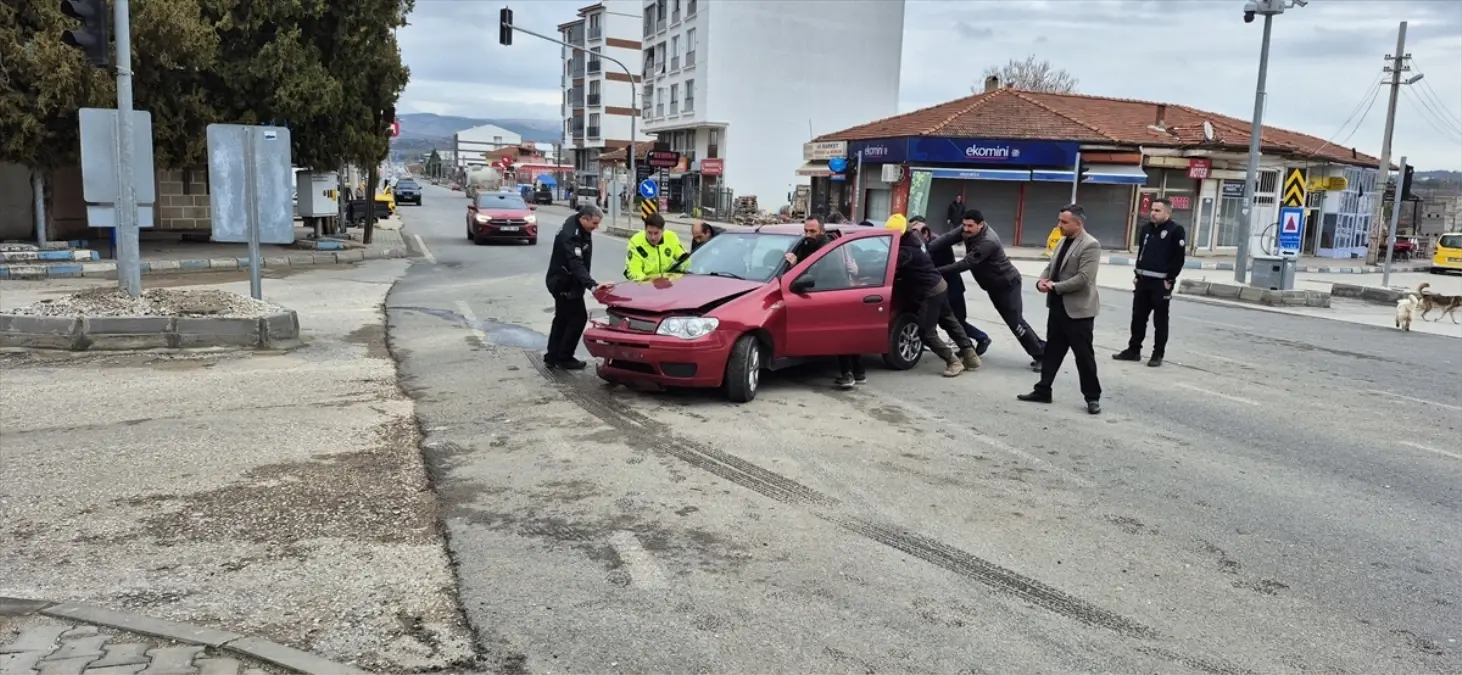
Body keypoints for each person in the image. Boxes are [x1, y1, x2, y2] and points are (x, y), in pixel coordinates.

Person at [928, 209, 1045, 371]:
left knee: (1016, 323)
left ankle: (1041, 355)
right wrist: (927, 248)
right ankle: (1041, 349)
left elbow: (964, 264)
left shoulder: (987, 242)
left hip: (1006, 285)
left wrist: (935, 271)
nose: (966, 229)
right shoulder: (967, 230)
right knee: (1015, 321)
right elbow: (947, 239)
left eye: (970, 226)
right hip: (993, 285)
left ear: (981, 225)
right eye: (964, 225)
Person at [1019, 205, 1103, 415]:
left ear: (1078, 223)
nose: (1060, 225)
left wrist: (1054, 287)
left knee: (1083, 356)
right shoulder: (1063, 240)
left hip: (1078, 311)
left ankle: (1092, 397)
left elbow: (1084, 279)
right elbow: (1052, 266)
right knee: (1052, 352)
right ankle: (1043, 390)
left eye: (1064, 222)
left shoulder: (1090, 245)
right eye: (1059, 220)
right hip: (1057, 307)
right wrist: (1041, 281)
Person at [887, 215, 982, 378]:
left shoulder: (904, 250)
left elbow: (889, 267)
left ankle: (953, 361)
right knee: (949, 321)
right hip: (939, 285)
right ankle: (971, 356)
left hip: (929, 291)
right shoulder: (913, 240)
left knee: (926, 332)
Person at [1114, 198, 1186, 367]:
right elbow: (1142, 253)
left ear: (1167, 213)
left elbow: (1178, 258)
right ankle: (1134, 350)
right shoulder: (1146, 229)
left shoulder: (1175, 230)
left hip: (1161, 283)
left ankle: (1157, 353)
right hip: (1143, 281)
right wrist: (1137, 274)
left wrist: (1170, 279)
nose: (1152, 213)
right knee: (1138, 317)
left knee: (1160, 320)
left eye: (1157, 210)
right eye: (1152, 209)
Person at [910, 215, 992, 355]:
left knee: (955, 321)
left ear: (925, 229)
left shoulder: (937, 243)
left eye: (915, 229)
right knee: (947, 320)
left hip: (951, 287)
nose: (913, 233)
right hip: (942, 286)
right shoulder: (924, 242)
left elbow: (941, 265)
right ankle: (969, 345)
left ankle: (980, 338)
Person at [545, 205, 612, 370]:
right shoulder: (571, 235)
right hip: (563, 282)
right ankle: (564, 357)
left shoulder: (578, 225)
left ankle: (552, 356)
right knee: (578, 318)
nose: (596, 228)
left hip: (568, 280)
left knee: (562, 318)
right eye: (594, 223)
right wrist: (593, 286)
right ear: (584, 218)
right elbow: (575, 263)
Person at [624, 213, 686, 281]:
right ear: (645, 229)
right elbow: (635, 273)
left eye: (656, 233)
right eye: (649, 233)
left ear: (662, 231)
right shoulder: (636, 242)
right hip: (643, 286)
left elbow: (685, 260)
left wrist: (677, 276)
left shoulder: (671, 237)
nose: (653, 237)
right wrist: (651, 284)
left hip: (667, 283)